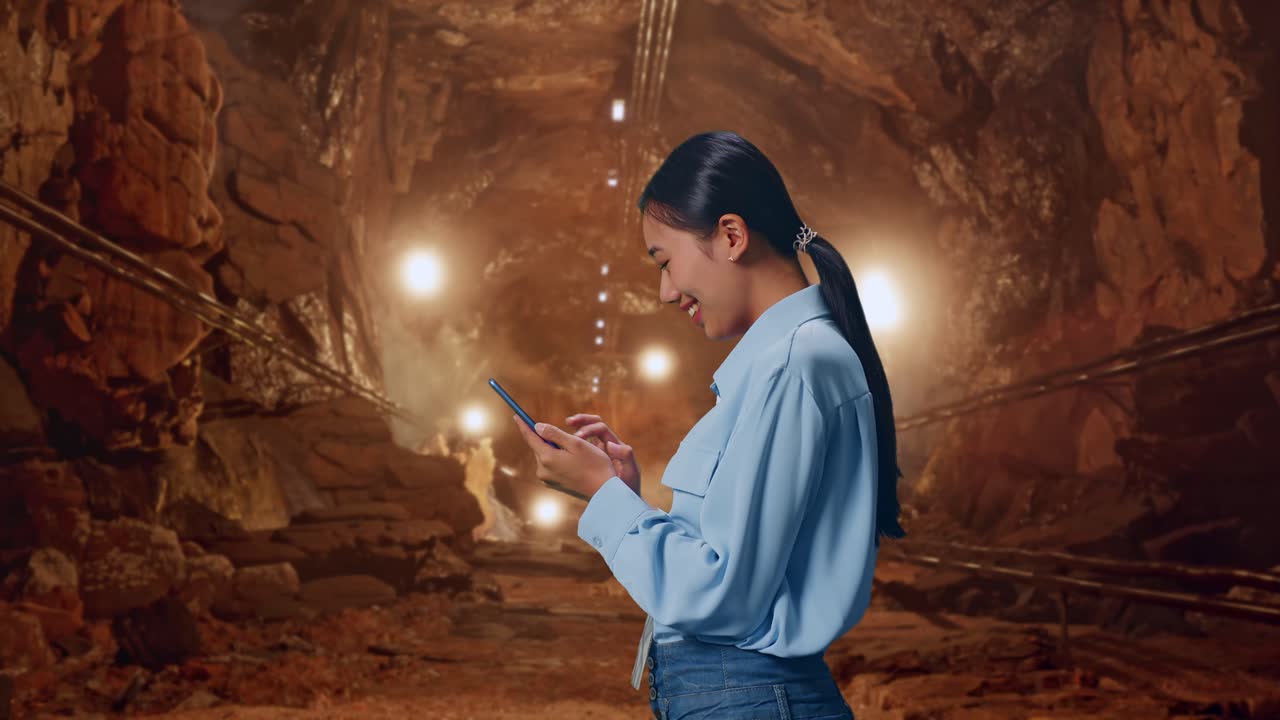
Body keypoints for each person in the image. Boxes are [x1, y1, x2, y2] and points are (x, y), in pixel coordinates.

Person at [513, 130, 907, 720]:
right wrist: (628, 497)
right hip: (740, 697)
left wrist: (601, 497)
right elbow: (734, 565)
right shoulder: (783, 364)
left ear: (730, 236)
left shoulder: (794, 366)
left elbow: (726, 598)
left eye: (665, 262)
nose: (666, 292)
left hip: (751, 697)